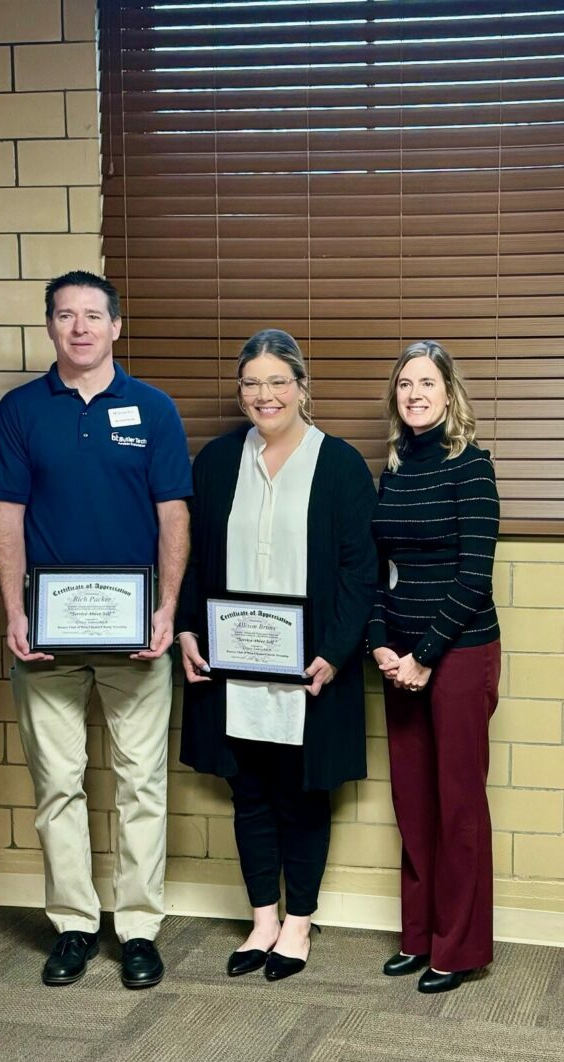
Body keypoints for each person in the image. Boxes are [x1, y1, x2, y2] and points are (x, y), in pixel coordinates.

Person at [0, 270, 191, 989]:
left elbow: (173, 515)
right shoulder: (19, 412)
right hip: (45, 637)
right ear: (50, 327)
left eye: (93, 315)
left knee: (142, 784)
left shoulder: (154, 409)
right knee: (58, 785)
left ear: (115, 327)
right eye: (66, 316)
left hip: (139, 638)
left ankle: (137, 929)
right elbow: (6, 514)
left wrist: (166, 610)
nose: (80, 327)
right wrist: (14, 611)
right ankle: (74, 924)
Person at [177, 329, 377, 980]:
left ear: (301, 388)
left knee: (302, 794)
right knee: (249, 793)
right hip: (233, 668)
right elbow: (193, 561)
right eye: (251, 383)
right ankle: (263, 918)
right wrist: (186, 631)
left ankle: (299, 924)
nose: (264, 395)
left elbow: (358, 571)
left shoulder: (340, 464)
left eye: (276, 382)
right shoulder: (214, 464)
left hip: (310, 667)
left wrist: (336, 653)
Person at [369, 340, 500, 994]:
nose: (415, 394)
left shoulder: (471, 466)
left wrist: (425, 656)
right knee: (412, 802)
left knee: (457, 805)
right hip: (400, 661)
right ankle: (418, 936)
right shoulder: (393, 470)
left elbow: (475, 575)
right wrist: (381, 646)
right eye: (404, 386)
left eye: (426, 383)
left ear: (450, 394)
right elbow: (376, 567)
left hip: (460, 652)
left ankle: (460, 947)